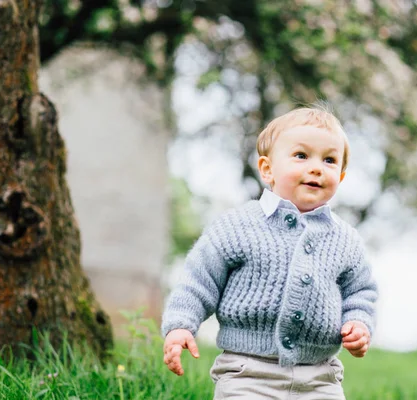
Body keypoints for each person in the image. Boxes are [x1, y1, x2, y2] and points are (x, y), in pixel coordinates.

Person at [161, 106, 378, 399]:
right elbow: (199, 280)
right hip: (246, 371)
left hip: (320, 375)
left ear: (340, 177)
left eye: (329, 160)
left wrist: (359, 323)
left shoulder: (346, 239)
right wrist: (180, 326)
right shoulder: (237, 225)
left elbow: (360, 291)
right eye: (301, 156)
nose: (316, 167)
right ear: (267, 169)